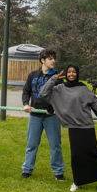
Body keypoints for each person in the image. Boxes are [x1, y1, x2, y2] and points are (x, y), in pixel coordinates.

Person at [41, 64, 97, 192]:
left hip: (86, 126)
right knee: (76, 156)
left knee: (94, 154)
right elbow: (43, 93)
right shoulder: (59, 88)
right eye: (69, 72)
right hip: (73, 127)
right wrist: (54, 79)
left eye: (74, 72)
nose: (71, 74)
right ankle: (77, 181)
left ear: (77, 74)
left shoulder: (83, 89)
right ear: (66, 74)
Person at [20, 48, 65, 180]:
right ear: (42, 60)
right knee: (31, 144)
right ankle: (27, 169)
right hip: (35, 116)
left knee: (55, 145)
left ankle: (58, 172)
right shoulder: (33, 75)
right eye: (50, 58)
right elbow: (26, 91)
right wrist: (25, 104)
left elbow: (60, 97)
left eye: (54, 58)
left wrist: (52, 108)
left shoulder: (57, 77)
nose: (53, 61)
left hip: (51, 117)